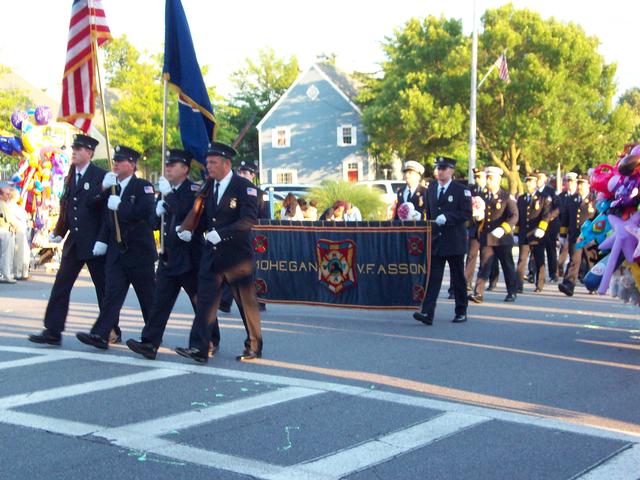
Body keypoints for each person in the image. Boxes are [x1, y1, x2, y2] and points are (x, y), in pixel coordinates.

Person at [174, 141, 262, 364]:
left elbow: (249, 219)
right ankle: (200, 347)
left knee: (246, 304)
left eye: (213, 162)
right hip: (212, 255)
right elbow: (204, 217)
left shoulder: (244, 187)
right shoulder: (208, 186)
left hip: (236, 257)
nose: (208, 166)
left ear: (226, 163)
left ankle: (253, 345)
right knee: (204, 302)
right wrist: (188, 230)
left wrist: (223, 233)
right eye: (207, 162)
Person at [28, 134, 108, 345]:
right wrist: (59, 231)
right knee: (61, 284)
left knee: (103, 287)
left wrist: (103, 240)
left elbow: (105, 213)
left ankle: (109, 329)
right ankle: (53, 330)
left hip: (94, 241)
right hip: (75, 240)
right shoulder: (71, 175)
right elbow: (67, 207)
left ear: (90, 153)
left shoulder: (100, 176)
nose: (75, 151)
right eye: (74, 148)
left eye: (80, 148)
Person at [75, 145, 157, 350]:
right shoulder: (112, 187)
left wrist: (121, 206)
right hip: (117, 251)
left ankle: (152, 337)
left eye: (121, 161)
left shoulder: (143, 186)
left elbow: (145, 213)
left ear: (132, 164)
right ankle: (101, 334)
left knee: (147, 297)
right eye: (115, 161)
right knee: (111, 295)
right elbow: (95, 209)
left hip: (139, 252)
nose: (116, 164)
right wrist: (102, 240)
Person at [125, 149, 205, 360]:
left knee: (200, 302)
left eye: (174, 164)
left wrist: (168, 195)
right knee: (159, 304)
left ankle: (209, 339)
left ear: (185, 169)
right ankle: (150, 343)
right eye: (167, 164)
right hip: (169, 257)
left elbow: (187, 211)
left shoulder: (193, 190)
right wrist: (157, 210)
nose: (168, 167)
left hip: (189, 258)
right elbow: (153, 223)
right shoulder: (166, 190)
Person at [414, 156, 472, 325]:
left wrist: (448, 217)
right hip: (437, 241)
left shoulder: (461, 190)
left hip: (454, 241)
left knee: (458, 279)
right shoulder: (431, 189)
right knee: (433, 279)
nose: (440, 172)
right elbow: (429, 213)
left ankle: (461, 311)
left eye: (444, 168)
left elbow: (466, 214)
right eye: (438, 168)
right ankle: (427, 312)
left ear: (451, 170)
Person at [219, 160, 268, 313]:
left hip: (255, 236)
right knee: (231, 267)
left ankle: (259, 300)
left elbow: (265, 217)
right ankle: (225, 301)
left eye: (245, 172)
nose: (242, 174)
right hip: (236, 234)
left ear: (253, 175)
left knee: (254, 270)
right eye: (240, 172)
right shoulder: (233, 191)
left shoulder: (261, 194)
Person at [469, 166, 519, 303]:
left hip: (502, 238)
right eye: (488, 178)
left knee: (507, 265)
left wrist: (504, 228)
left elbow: (514, 215)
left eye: (491, 178)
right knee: (484, 265)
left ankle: (512, 291)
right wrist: (478, 217)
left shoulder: (506, 196)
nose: (488, 181)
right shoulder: (483, 196)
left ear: (498, 180)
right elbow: (481, 215)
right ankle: (478, 293)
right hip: (487, 237)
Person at [558, 176, 596, 296]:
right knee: (574, 260)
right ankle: (568, 285)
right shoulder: (571, 199)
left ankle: (594, 285)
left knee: (591, 261)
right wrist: (563, 235)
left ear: (588, 185)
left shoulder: (594, 200)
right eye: (578, 184)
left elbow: (600, 218)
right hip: (575, 236)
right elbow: (565, 218)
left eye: (582, 184)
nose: (579, 186)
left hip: (590, 237)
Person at [515, 173, 552, 293]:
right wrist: (516, 233)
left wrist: (542, 228)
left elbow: (546, 215)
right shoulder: (521, 199)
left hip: (537, 234)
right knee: (522, 260)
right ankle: (518, 285)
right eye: (527, 181)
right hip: (524, 234)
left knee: (539, 259)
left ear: (536, 183)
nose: (529, 184)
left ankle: (539, 284)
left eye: (531, 181)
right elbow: (518, 217)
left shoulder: (544, 197)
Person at [464, 168, 487, 290]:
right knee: (471, 255)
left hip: (486, 229)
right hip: (474, 227)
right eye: (476, 177)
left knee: (486, 258)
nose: (478, 179)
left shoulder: (490, 191)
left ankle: (486, 281)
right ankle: (467, 282)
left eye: (480, 177)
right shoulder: (470, 190)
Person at [535, 170, 560, 282]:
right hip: (536, 226)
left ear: (545, 179)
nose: (538, 180)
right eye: (537, 178)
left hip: (550, 226)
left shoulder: (550, 191)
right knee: (535, 251)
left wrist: (549, 218)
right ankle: (534, 273)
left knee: (550, 250)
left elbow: (558, 208)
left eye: (540, 178)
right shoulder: (534, 193)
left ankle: (553, 273)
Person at [556, 172, 578, 278]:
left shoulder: (579, 196)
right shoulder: (561, 196)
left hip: (575, 228)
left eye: (572, 182)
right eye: (567, 181)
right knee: (563, 248)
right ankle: (560, 268)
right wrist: (561, 232)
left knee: (574, 253)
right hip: (563, 227)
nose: (569, 184)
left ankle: (578, 272)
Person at [9, 189, 30, 280]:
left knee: (23, 252)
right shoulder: (12, 206)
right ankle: (18, 272)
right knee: (20, 253)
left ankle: (21, 272)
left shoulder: (14, 206)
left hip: (20, 230)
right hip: (19, 230)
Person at [0, 183, 17, 284]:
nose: (8, 196)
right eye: (6, 194)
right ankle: (6, 275)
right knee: (6, 254)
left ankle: (3, 274)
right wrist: (16, 226)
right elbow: (10, 219)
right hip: (5, 230)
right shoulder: (3, 205)